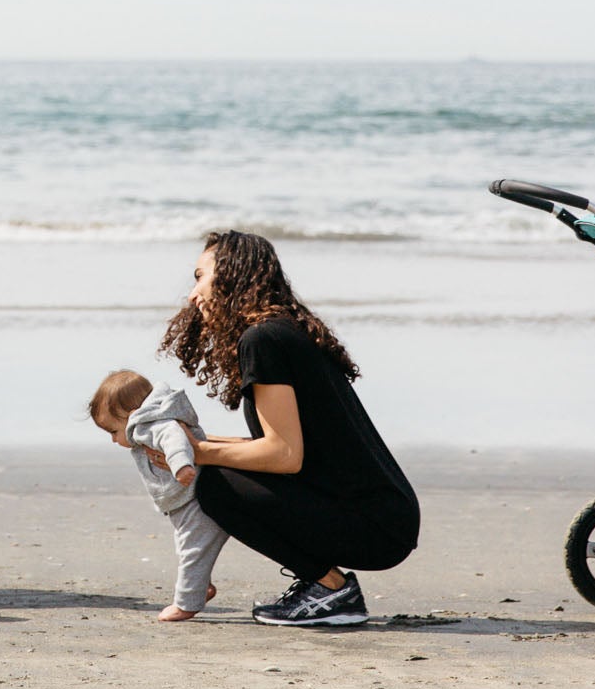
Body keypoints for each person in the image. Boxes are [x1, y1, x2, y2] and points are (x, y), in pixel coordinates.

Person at [159, 229, 420, 627]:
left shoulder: (262, 339)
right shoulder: (280, 331)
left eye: (200, 277)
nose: (193, 294)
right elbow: (284, 447)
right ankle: (328, 588)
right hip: (385, 516)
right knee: (219, 468)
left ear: (231, 274)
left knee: (215, 485)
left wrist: (195, 453)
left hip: (373, 525)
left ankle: (332, 590)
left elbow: (282, 455)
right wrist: (198, 441)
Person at [89, 368, 227, 622]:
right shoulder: (149, 422)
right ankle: (201, 587)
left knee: (192, 551)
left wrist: (181, 465)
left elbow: (173, 437)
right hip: (185, 502)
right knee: (188, 548)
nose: (113, 440)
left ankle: (187, 603)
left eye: (113, 432)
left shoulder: (150, 424)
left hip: (196, 499)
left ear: (131, 416)